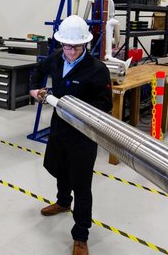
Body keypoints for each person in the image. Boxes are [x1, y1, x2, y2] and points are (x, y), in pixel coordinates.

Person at [29, 15, 112, 255]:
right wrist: (35, 89)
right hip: (59, 127)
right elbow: (38, 68)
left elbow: (105, 104)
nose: (71, 51)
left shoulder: (97, 70)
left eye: (76, 46)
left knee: (82, 185)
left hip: (83, 134)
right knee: (59, 167)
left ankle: (81, 235)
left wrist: (76, 107)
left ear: (85, 43)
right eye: (67, 46)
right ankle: (63, 202)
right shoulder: (56, 58)